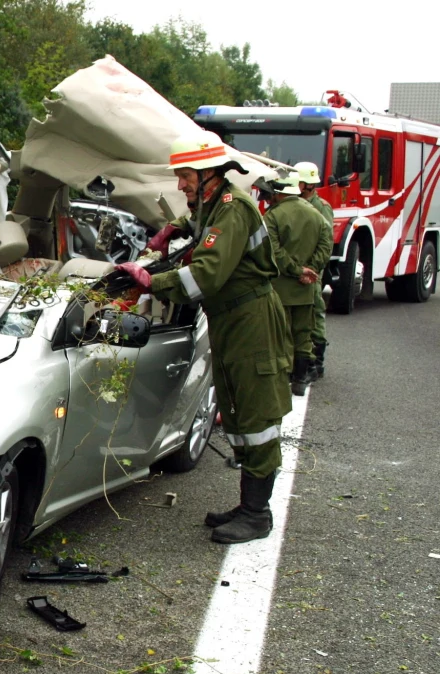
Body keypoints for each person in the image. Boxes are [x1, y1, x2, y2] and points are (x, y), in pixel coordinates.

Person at [115, 131, 292, 544]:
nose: (181, 185)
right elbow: (196, 224)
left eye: (186, 176)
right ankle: (248, 505)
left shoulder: (233, 209)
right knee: (234, 409)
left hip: (253, 322)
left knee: (257, 416)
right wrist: (171, 230)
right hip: (231, 320)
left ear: (210, 172)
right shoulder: (212, 205)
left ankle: (256, 513)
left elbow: (206, 274)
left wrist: (150, 282)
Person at [262, 171, 333, 396]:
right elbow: (326, 245)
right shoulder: (316, 214)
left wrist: (294, 269)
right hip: (307, 287)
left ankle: (282, 378)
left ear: (278, 192)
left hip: (279, 287)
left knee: (279, 334)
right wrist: (310, 270)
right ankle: (301, 379)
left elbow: (272, 250)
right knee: (303, 333)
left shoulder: (272, 216)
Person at [294, 161, 334, 379]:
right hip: (298, 270)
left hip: (312, 272)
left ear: (307, 184)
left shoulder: (321, 208)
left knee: (315, 312)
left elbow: (326, 241)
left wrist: (313, 269)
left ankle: (315, 361)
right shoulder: (297, 205)